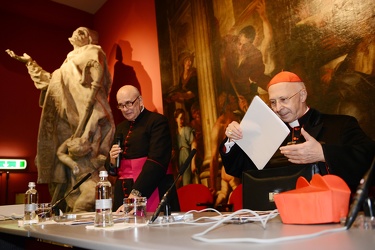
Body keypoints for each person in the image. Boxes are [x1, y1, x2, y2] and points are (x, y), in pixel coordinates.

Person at [6, 27, 115, 212]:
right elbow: (52, 84)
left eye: (82, 32)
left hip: (89, 115)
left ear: (89, 38)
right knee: (67, 169)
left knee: (89, 162)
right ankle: (71, 210)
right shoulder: (67, 63)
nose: (77, 35)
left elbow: (99, 79)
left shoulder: (94, 51)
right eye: (76, 32)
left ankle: (88, 207)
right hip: (68, 122)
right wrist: (30, 63)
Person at [220, 71, 375, 194]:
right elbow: (241, 169)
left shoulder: (341, 124)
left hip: (329, 217)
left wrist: (323, 153)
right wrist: (233, 140)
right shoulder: (268, 133)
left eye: (284, 100)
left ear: (302, 95)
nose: (278, 108)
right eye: (273, 102)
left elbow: (369, 156)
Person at [106, 85, 179, 212]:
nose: (125, 109)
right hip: (122, 192)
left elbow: (157, 162)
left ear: (140, 100)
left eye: (129, 103)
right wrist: (112, 160)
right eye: (121, 105)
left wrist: (136, 195)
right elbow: (112, 170)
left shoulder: (157, 122)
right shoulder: (121, 127)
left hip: (150, 188)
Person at [173, 108, 198, 186]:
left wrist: (193, 162)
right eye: (181, 118)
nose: (182, 121)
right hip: (180, 157)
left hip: (187, 155)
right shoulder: (175, 133)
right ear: (176, 119)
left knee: (187, 181)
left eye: (184, 118)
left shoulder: (187, 130)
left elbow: (194, 144)